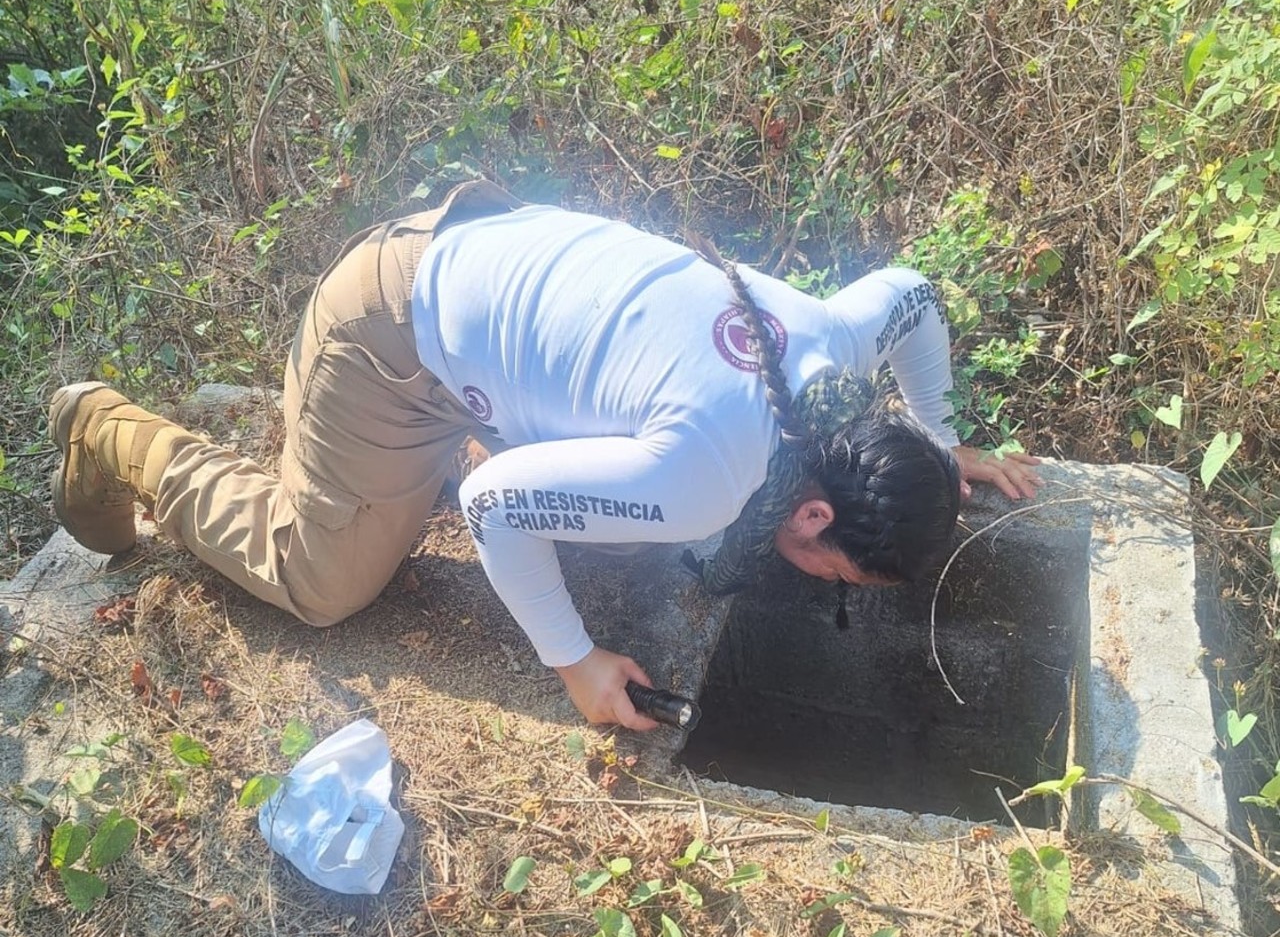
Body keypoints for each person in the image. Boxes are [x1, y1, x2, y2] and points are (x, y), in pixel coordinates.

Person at [49, 181, 1040, 732]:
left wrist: (940, 442)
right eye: (839, 577)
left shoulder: (833, 353)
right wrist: (573, 661)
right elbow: (490, 504)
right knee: (323, 580)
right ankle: (111, 431)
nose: (827, 586)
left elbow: (913, 294)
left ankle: (462, 433)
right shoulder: (706, 473)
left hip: (485, 253)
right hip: (390, 339)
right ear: (816, 517)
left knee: (622, 533)